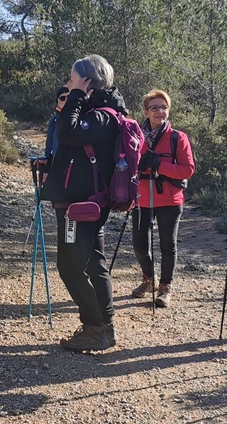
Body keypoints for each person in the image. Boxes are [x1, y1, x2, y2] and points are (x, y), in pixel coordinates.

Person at [40, 55, 126, 352]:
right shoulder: (100, 110)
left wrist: (77, 96)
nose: (68, 83)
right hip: (85, 202)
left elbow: (67, 132)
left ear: (88, 81)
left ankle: (94, 328)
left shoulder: (101, 115)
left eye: (73, 79)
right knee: (93, 263)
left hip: (81, 206)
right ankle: (107, 327)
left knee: (70, 266)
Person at [131, 90, 196, 308]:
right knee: (140, 245)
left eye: (164, 107)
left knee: (168, 245)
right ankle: (149, 279)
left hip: (169, 198)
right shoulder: (134, 137)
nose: (160, 111)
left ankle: (165, 287)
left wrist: (159, 165)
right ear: (146, 112)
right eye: (155, 108)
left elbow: (187, 170)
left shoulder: (178, 138)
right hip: (141, 197)